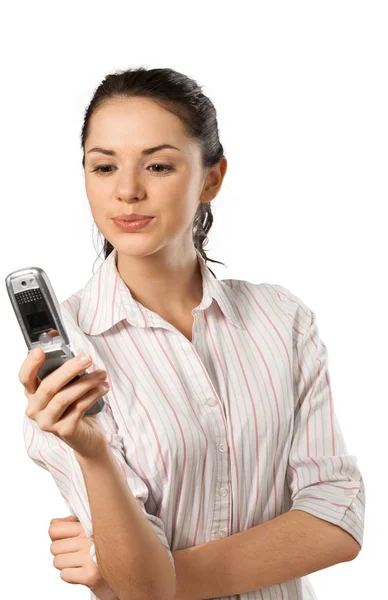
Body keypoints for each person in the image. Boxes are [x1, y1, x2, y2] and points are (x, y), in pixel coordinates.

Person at [20, 67, 365, 600]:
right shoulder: (68, 362)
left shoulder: (282, 319)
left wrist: (126, 567)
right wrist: (91, 454)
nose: (128, 191)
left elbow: (337, 517)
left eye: (158, 165)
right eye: (104, 167)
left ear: (211, 177)